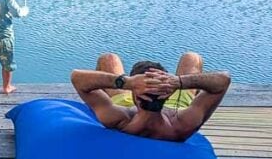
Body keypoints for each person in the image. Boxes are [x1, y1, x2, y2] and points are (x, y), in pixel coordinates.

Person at [70, 51, 230, 142]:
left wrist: (127, 83)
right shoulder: (183, 123)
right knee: (192, 57)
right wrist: (178, 82)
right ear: (168, 95)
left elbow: (77, 77)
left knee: (109, 59)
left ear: (134, 96)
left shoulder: (118, 118)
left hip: (129, 99)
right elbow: (223, 80)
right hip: (175, 101)